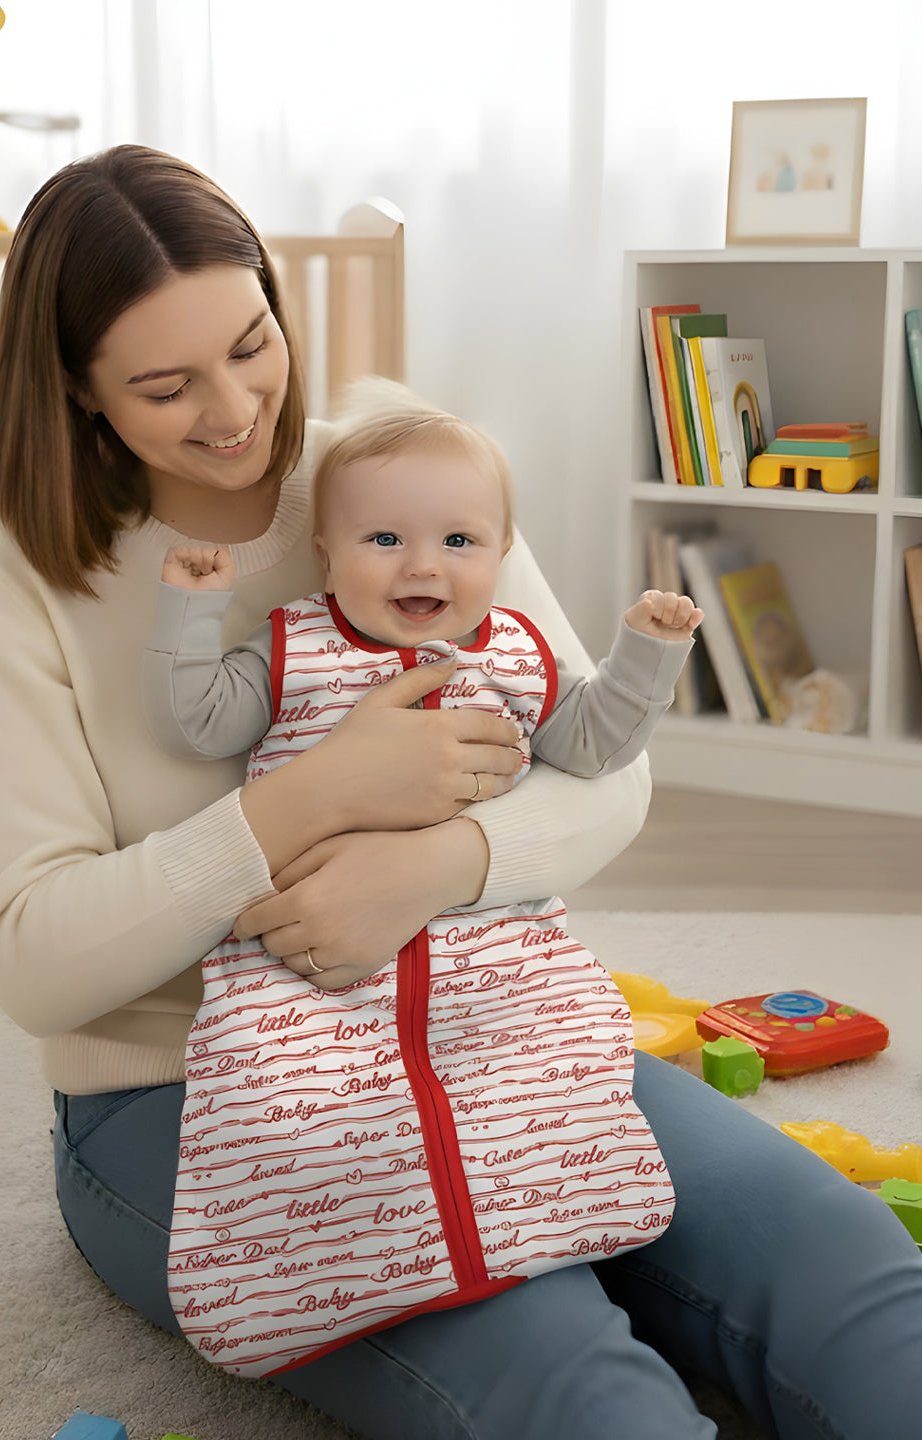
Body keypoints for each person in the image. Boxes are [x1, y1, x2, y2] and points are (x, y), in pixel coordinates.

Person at [0, 144, 922, 1440]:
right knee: (562, 1372)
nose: (236, 408)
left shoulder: (394, 470)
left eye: (254, 343)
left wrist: (431, 867)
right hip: (182, 1084)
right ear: (77, 389)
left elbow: (600, 771)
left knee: (839, 1258)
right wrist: (306, 803)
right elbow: (33, 958)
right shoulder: (17, 583)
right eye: (164, 385)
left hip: (487, 1018)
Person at [143, 378, 700, 1370]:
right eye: (384, 540)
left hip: (496, 945)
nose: (422, 566)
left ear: (499, 555)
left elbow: (593, 746)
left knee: (558, 1061)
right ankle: (300, 1280)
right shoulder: (294, 646)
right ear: (327, 555)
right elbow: (201, 722)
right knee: (284, 1111)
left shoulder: (519, 655)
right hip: (308, 967)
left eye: (458, 542)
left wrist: (644, 658)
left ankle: (552, 1219)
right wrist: (194, 611)